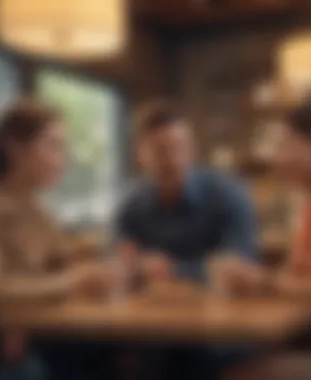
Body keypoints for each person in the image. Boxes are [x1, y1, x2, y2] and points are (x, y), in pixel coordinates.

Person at [116, 100, 258, 379]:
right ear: (139, 155)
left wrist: (174, 269)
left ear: (192, 149)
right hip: (149, 324)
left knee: (179, 357)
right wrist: (128, 265)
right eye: (159, 150)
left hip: (220, 329)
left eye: (180, 147)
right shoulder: (132, 203)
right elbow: (114, 257)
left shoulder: (228, 195)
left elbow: (240, 266)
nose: (172, 159)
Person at [0, 99, 111, 380]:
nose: (64, 159)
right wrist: (75, 280)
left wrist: (99, 261)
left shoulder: (36, 209)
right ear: (15, 149)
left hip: (26, 335)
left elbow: (60, 262)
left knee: (114, 354)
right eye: (53, 145)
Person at [225, 99, 311, 379]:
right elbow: (295, 275)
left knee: (239, 372)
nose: (276, 157)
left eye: (285, 145)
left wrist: (265, 281)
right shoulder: (310, 206)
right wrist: (252, 281)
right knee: (222, 358)